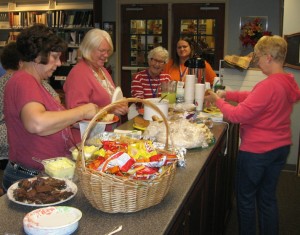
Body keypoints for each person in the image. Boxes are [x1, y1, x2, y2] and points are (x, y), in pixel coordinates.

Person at [204, 35, 300, 235]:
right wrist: (228, 95)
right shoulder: (286, 81)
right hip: (280, 149)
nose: (256, 60)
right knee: (267, 199)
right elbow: (255, 97)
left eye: (257, 56)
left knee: (246, 200)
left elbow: (236, 116)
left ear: (268, 57)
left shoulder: (268, 85)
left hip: (257, 153)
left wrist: (217, 100)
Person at [2, 24, 99, 191]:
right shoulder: (24, 80)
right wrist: (81, 111)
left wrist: (72, 123)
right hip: (31, 178)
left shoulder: (35, 83)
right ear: (38, 56)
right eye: (54, 57)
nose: (59, 63)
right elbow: (36, 124)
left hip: (40, 175)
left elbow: (44, 122)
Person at [63, 28, 128, 143]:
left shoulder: (102, 70)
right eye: (102, 50)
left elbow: (108, 100)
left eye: (108, 51)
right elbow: (75, 114)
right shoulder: (79, 73)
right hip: (88, 140)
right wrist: (111, 110)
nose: (106, 55)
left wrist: (120, 104)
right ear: (88, 49)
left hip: (105, 136)